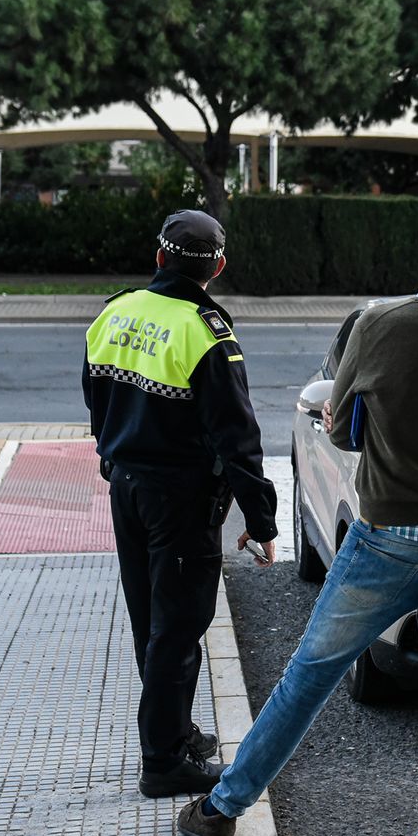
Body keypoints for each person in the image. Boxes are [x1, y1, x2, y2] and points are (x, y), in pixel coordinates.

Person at [175, 197, 418, 836]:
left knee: (310, 676)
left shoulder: (380, 322)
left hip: (390, 539)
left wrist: (352, 426)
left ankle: (220, 812)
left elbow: (340, 428)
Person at [83, 209, 278, 798]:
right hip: (182, 501)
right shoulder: (205, 328)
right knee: (179, 626)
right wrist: (262, 519)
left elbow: (97, 399)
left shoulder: (115, 311)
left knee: (151, 621)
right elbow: (235, 433)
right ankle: (165, 761)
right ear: (216, 267)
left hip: (129, 489)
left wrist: (111, 457)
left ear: (159, 256)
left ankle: (173, 732)